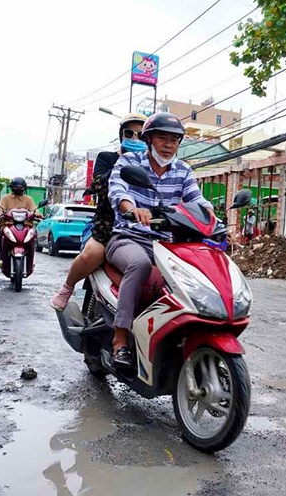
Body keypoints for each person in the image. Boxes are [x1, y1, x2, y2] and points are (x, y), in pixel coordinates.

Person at [106, 112, 213, 368]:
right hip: (128, 237)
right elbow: (118, 189)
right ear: (148, 139)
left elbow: (196, 199)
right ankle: (120, 339)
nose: (168, 144)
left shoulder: (183, 170)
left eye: (174, 139)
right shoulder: (131, 162)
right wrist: (131, 208)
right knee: (139, 265)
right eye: (162, 137)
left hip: (167, 243)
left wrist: (212, 219)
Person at [50, 113, 149, 311]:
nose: (135, 138)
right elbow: (99, 184)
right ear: (122, 135)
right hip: (107, 226)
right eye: (130, 133)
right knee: (92, 254)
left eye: (141, 134)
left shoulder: (153, 165)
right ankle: (67, 288)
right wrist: (124, 164)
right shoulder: (108, 158)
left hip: (144, 229)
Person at [0, 177, 38, 269]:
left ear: (24, 188)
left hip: (26, 224)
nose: (18, 189)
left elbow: (34, 210)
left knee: (33, 236)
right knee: (2, 234)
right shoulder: (5, 198)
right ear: (12, 187)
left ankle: (31, 259)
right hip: (8, 223)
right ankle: (1, 257)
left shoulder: (28, 199)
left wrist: (38, 214)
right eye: (16, 187)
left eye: (20, 187)